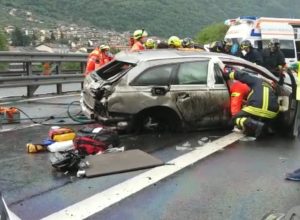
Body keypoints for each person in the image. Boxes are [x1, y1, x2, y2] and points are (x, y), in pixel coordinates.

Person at [222, 65, 279, 138]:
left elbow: (242, 76)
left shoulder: (256, 80)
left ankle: (254, 125)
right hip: (272, 112)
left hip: (256, 108)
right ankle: (267, 127)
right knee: (261, 115)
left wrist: (228, 75)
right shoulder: (270, 87)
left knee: (233, 120)